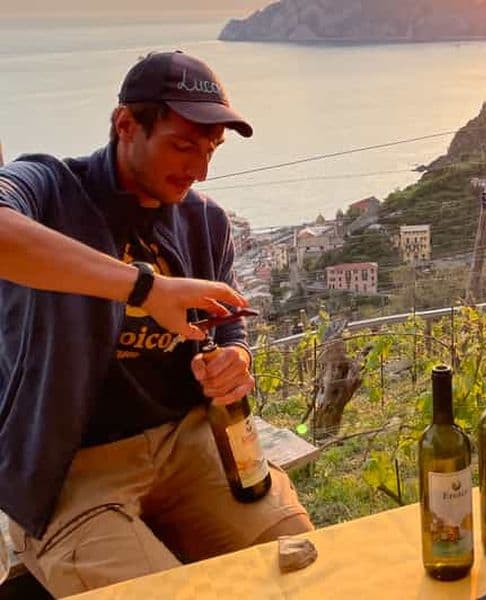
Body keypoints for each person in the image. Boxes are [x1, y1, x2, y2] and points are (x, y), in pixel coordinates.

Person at [0, 50, 312, 597]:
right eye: (183, 144)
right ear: (126, 125)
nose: (198, 169)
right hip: (72, 467)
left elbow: (229, 323)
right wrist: (145, 287)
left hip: (188, 444)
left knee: (301, 566)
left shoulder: (205, 221)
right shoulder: (51, 190)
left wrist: (236, 359)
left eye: (210, 150)